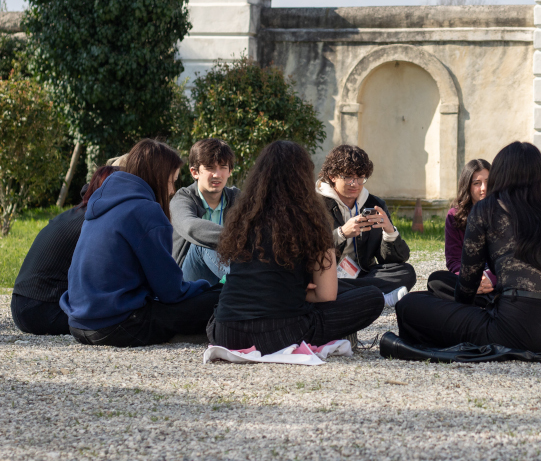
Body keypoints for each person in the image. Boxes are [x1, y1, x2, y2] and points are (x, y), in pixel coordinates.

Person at [395, 142, 541, 351]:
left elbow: (468, 285)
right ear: (540, 176)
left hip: (514, 331)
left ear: (500, 174)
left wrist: (461, 313)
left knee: (409, 304)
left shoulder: (487, 210)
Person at [208, 141, 385, 354]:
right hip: (282, 332)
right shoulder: (313, 221)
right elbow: (326, 295)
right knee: (373, 297)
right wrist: (296, 290)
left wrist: (282, 289)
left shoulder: (241, 219)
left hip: (226, 333)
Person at [61, 140, 220, 347]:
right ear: (159, 178)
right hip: (116, 326)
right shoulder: (145, 210)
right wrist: (205, 288)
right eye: (172, 181)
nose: (172, 190)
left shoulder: (100, 204)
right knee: (223, 298)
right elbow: (171, 292)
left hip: (78, 324)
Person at [11, 167, 118, 336]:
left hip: (22, 304)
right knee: (119, 319)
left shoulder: (76, 212)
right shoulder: (93, 220)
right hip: (42, 310)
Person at [316, 145, 416, 306]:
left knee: (406, 272)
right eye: (348, 177)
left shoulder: (375, 204)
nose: (355, 183)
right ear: (332, 176)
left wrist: (390, 233)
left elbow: (391, 260)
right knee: (313, 282)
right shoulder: (314, 204)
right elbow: (308, 249)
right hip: (325, 274)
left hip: (361, 274)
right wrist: (341, 233)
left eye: (360, 177)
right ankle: (376, 296)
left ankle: (350, 294)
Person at [426, 159, 495, 304]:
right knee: (436, 281)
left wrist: (489, 279)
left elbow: (510, 261)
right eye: (477, 183)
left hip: (496, 278)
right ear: (468, 186)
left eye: (488, 182)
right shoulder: (454, 216)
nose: (484, 188)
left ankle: (480, 301)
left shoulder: (504, 213)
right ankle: (485, 301)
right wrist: (472, 280)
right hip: (468, 279)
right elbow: (453, 261)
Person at [171, 138, 240, 284]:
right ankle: (246, 285)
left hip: (225, 273)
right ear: (195, 172)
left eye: (223, 167)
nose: (217, 174)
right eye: (210, 168)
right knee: (201, 244)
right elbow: (190, 226)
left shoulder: (237, 198)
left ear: (230, 171)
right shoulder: (183, 198)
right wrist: (237, 240)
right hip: (187, 280)